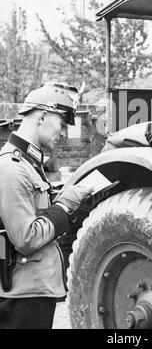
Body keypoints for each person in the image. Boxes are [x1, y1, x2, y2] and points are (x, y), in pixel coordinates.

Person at [0, 82, 93, 329]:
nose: (63, 133)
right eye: (62, 123)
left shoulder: (30, 163)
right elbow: (26, 238)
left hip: (35, 289)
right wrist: (63, 207)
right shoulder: (12, 167)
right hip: (22, 295)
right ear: (43, 116)